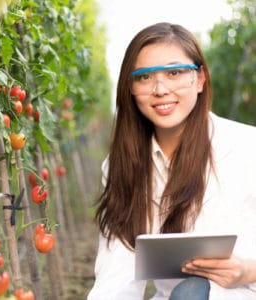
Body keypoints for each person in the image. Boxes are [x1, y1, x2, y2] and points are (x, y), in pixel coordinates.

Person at [87, 22, 256, 300]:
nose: (160, 89)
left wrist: (248, 270)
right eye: (144, 77)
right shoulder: (122, 167)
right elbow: (117, 276)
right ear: (130, 88)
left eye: (175, 72)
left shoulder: (247, 147)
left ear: (200, 79)